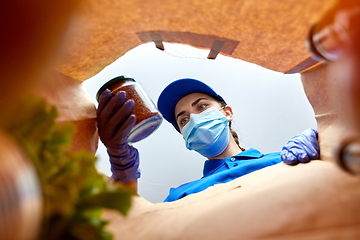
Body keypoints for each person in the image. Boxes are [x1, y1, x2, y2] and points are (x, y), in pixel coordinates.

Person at [97, 78, 319, 202]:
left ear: (227, 113)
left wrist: (325, 142)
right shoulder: (181, 195)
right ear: (185, 138)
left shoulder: (286, 158)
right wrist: (121, 162)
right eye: (183, 120)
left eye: (202, 106)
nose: (193, 119)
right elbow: (135, 222)